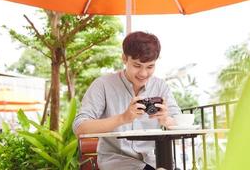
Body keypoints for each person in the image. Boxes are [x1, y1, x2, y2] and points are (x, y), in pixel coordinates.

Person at [73, 31, 181, 170]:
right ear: (124, 58)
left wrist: (166, 120)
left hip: (153, 161)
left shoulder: (160, 86)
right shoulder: (103, 85)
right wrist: (123, 118)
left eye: (150, 67)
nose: (143, 74)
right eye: (137, 66)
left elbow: (180, 124)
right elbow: (80, 128)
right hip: (117, 162)